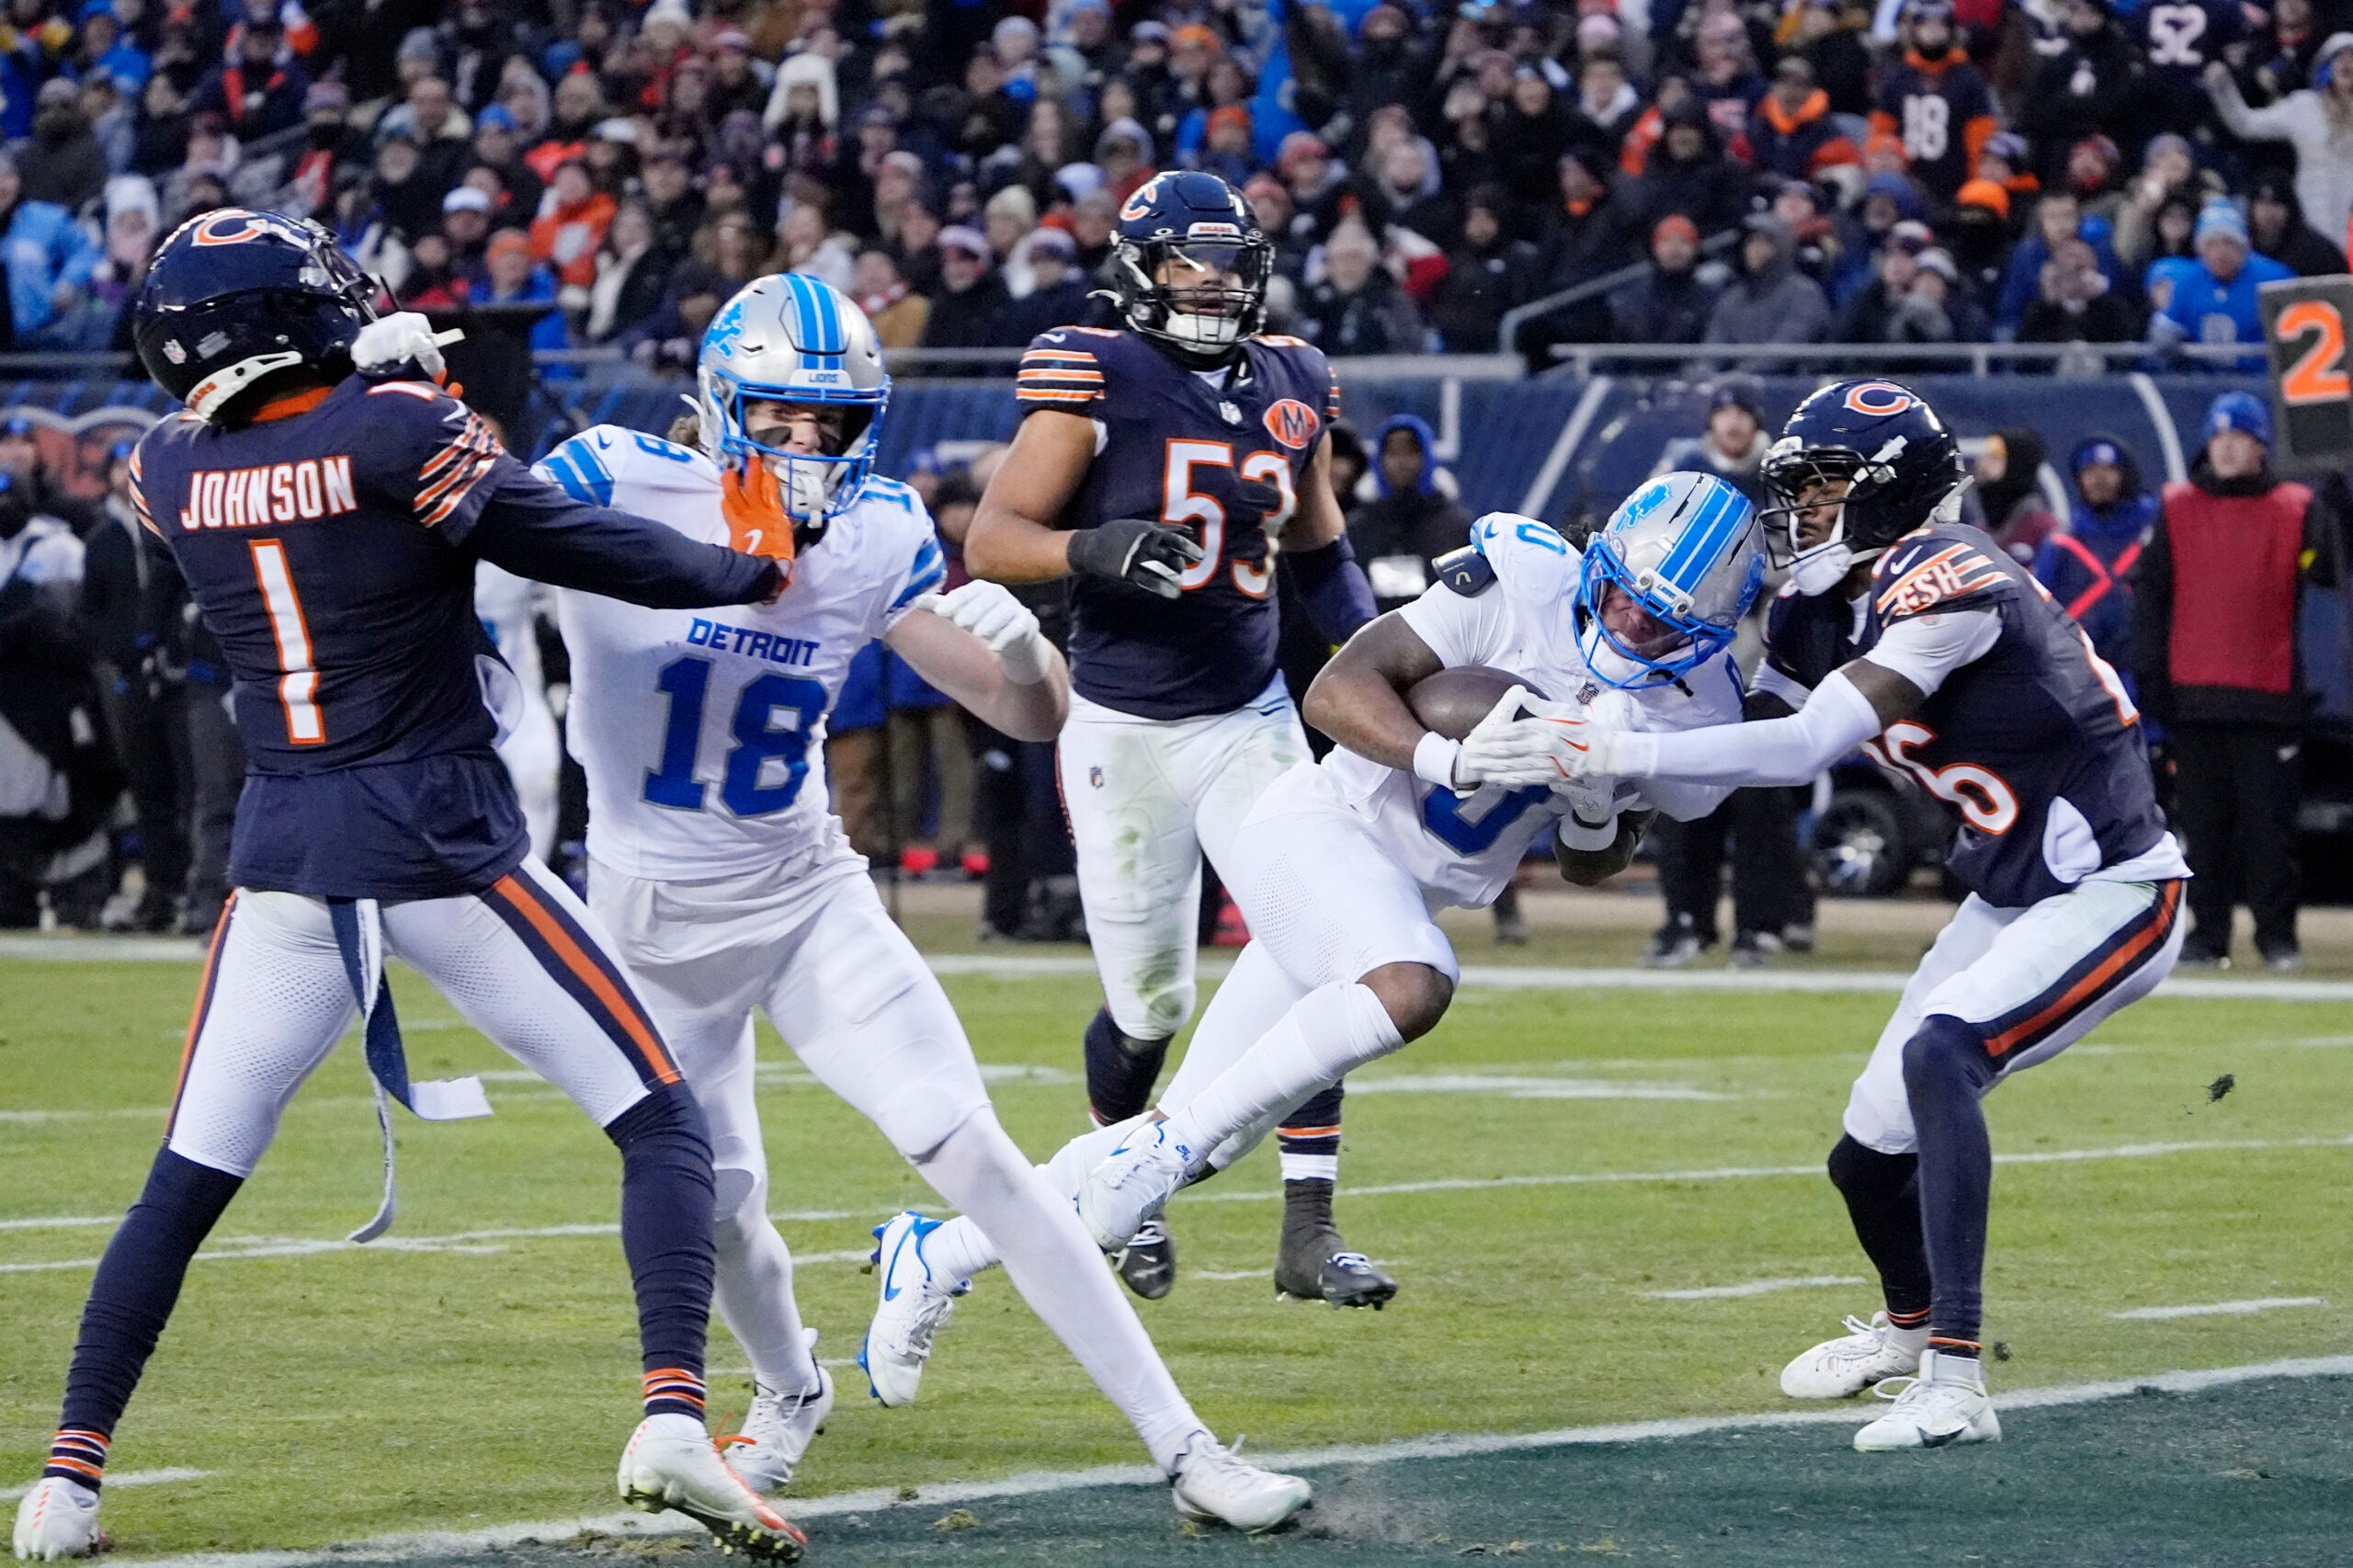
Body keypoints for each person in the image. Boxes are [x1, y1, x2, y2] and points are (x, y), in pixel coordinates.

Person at [8, 210, 804, 1563]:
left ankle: (63, 1482)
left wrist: (400, 402)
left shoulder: (162, 463)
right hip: (434, 839)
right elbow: (549, 533)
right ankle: (675, 1411)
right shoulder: (386, 426)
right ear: (284, 315)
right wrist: (748, 569)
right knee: (662, 1122)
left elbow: (287, 470)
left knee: (183, 1184)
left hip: (285, 860)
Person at [537, 273, 1309, 1534]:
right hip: (647, 923)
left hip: (805, 901)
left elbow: (1033, 711)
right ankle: (788, 1388)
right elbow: (443, 537)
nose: (803, 450)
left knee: (981, 1157)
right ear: (724, 405)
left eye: (828, 426)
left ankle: (1189, 1448)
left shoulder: (880, 526)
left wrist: (1024, 650)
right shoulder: (611, 476)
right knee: (723, 1205)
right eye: (779, 420)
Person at [1555, 381, 2188, 1451]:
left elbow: (1806, 750)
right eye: (1795, 487)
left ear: (1893, 493)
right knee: (1864, 1154)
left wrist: (1625, 751)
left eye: (1824, 486)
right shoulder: (1815, 610)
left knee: (1944, 1054)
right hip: (2010, 893)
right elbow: (1736, 760)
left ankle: (1955, 1374)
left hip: (2116, 887)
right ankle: (1904, 1332)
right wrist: (1595, 776)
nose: (1800, 509)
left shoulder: (1954, 579)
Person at [1025, 478, 1760, 1332]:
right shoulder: (1524, 584)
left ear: (1708, 636)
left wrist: (1596, 799)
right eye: (1627, 598)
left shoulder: (1701, 711)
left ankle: (942, 1250)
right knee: (1412, 983)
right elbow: (1334, 692)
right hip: (1322, 830)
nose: (1633, 626)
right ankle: (1178, 1167)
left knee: (1210, 1134)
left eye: (1664, 622)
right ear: (1601, 563)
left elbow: (1592, 864)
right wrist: (1448, 759)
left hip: (1403, 890)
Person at [956, 171, 1381, 1308]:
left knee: (1317, 947)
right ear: (1138, 269)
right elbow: (994, 538)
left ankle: (1309, 1224)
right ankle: (1119, 1185)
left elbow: (1320, 555)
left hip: (1251, 718)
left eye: (1227, 262)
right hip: (1129, 729)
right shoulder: (1097, 368)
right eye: (1186, 262)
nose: (1210, 282)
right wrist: (1095, 548)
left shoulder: (1293, 377)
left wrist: (1393, 659)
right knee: (1152, 1006)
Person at [2131, 392, 2337, 969]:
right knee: (2204, 830)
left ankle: (2277, 937)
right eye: (2218, 435)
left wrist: (2339, 505)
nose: (2224, 445)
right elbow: (2150, 597)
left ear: (2261, 447)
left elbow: (2329, 570)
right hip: (2193, 698)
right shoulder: (2176, 508)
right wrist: (2151, 676)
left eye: (2239, 436)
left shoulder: (2296, 508)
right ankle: (2207, 936)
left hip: (2268, 697)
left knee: (2270, 833)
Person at [2204, 39, 2353, 254]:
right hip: (2312, 206)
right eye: (2340, 58)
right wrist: (2222, 86)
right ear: (2326, 68)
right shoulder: (2304, 106)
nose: (2347, 64)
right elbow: (2246, 124)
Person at [2034, 435, 2154, 677]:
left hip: (2144, 671)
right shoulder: (2061, 543)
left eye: (2109, 470)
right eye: (2090, 471)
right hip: (2083, 673)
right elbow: (2040, 612)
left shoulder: (2155, 530)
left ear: (2126, 475)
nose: (2099, 480)